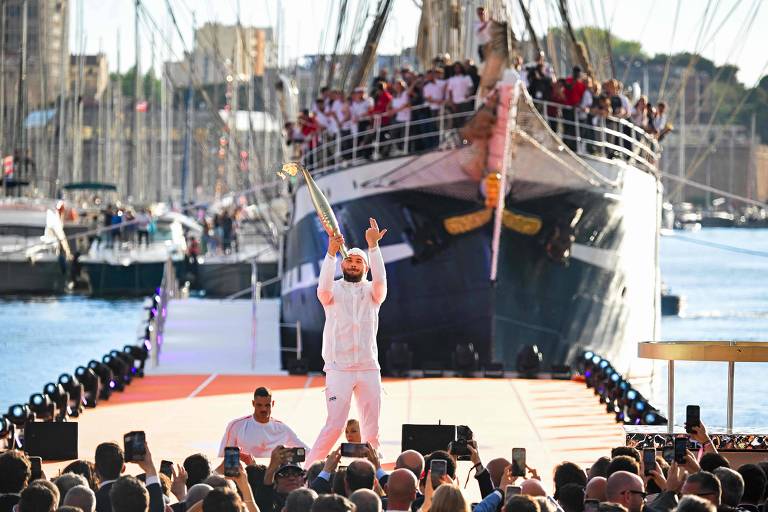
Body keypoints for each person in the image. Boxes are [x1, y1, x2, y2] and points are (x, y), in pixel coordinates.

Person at [305, 218, 388, 465]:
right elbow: (322, 289)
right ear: (342, 265)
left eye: (358, 262)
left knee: (371, 431)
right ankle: (308, 469)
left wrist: (373, 247)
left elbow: (382, 282)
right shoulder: (332, 292)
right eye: (349, 261)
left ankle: (375, 474)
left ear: (366, 267)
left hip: (368, 367)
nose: (353, 265)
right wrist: (330, 253)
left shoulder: (373, 293)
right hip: (338, 368)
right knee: (334, 427)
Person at [219, 386, 308, 460]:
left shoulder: (283, 429)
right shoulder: (236, 426)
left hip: (273, 477)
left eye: (267, 405)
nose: (263, 409)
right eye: (259, 405)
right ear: (253, 403)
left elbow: (307, 452)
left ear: (272, 404)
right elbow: (223, 457)